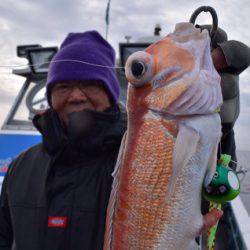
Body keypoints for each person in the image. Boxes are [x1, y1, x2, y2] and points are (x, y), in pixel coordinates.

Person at [0, 30, 223, 250]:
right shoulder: (20, 166)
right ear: (50, 96)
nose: (76, 96)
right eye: (63, 86)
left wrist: (223, 134)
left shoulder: (135, 155)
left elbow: (201, 188)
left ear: (110, 93)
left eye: (90, 84)